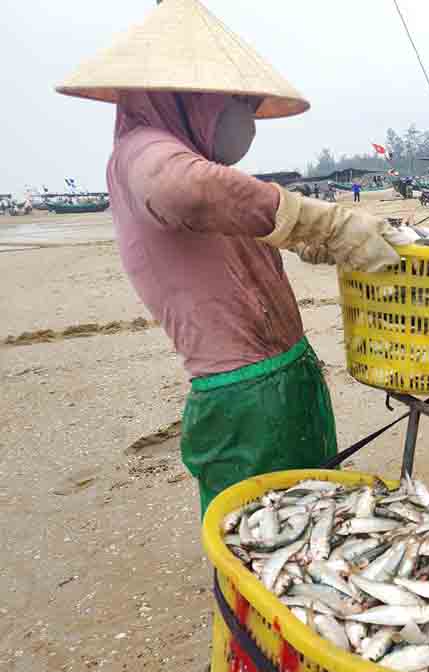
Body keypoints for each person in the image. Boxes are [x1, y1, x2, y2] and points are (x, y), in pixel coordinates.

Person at [56, 0, 399, 516]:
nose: (245, 117)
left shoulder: (185, 152)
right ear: (188, 95)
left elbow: (229, 226)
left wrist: (304, 242)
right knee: (263, 538)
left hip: (283, 376)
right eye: (236, 100)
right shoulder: (144, 151)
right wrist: (321, 223)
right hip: (245, 396)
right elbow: (188, 192)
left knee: (314, 519)